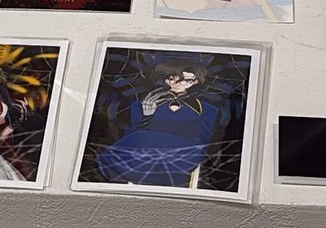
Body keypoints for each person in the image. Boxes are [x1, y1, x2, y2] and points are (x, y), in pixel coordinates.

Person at [96, 61, 233, 187]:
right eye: (173, 78)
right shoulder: (144, 104)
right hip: (146, 150)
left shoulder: (207, 109)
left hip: (185, 152)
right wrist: (147, 116)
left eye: (187, 80)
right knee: (137, 140)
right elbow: (133, 132)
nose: (179, 83)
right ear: (165, 78)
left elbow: (205, 138)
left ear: (196, 81)